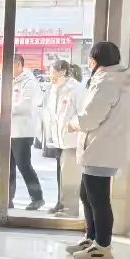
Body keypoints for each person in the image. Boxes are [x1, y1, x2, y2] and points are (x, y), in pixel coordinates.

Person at [65, 42, 130, 259]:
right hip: (103, 146)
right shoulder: (118, 79)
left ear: (94, 60)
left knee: (98, 199)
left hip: (101, 146)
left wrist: (73, 124)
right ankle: (92, 239)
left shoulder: (107, 82)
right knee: (87, 195)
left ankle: (102, 247)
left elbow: (90, 118)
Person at [0, 53, 46, 211]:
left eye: (7, 65)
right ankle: (6, 199)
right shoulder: (7, 80)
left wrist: (2, 109)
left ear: (18, 65)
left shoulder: (29, 82)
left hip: (22, 131)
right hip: (6, 129)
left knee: (24, 165)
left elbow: (25, 106)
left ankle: (37, 198)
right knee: (6, 166)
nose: (4, 69)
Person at [41, 60, 85, 215]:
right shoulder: (54, 89)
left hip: (72, 139)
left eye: (52, 72)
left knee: (70, 175)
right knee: (61, 174)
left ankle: (70, 209)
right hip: (59, 139)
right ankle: (61, 203)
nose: (50, 75)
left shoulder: (76, 88)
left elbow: (83, 113)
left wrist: (73, 126)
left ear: (62, 71)